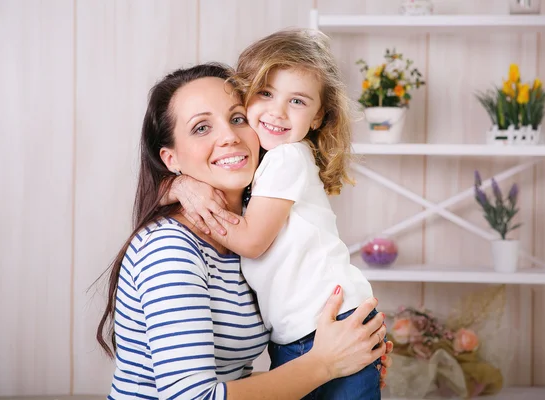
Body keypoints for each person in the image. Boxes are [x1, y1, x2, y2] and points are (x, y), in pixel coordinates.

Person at [96, 63, 391, 400]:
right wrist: (324, 364)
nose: (229, 136)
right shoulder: (170, 249)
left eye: (237, 118)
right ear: (170, 158)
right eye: (202, 128)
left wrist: (352, 358)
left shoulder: (252, 237)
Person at [168, 29, 386, 399]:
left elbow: (251, 242)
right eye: (265, 93)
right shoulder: (265, 168)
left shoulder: (287, 157)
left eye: (297, 101)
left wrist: (194, 200)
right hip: (307, 330)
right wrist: (177, 185)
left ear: (318, 117)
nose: (277, 111)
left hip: (325, 325)